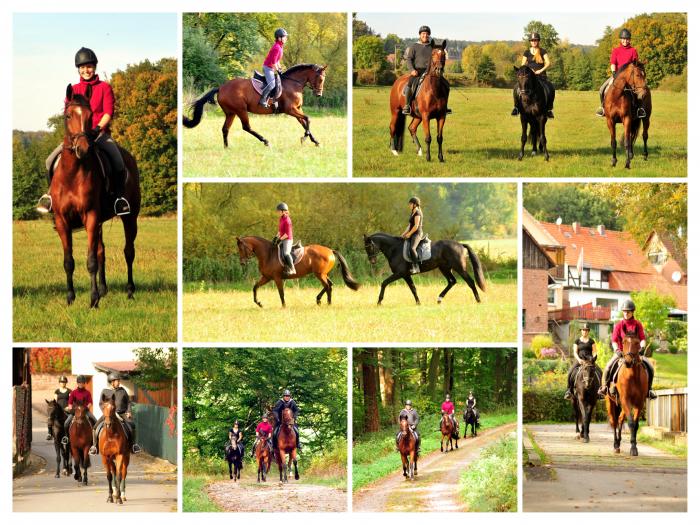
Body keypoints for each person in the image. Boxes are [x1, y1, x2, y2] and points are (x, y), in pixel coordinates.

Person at [37, 47, 131, 216]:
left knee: (118, 160)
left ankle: (119, 198)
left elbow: (108, 112)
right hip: (76, 137)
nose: (86, 70)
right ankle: (50, 196)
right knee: (49, 160)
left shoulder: (104, 88)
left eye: (89, 67)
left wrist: (96, 130)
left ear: (94, 67)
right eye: (82, 67)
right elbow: (68, 114)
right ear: (78, 70)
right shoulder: (73, 89)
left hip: (98, 135)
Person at [598, 300, 656, 399]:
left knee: (650, 367)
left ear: (632, 312)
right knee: (608, 367)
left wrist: (642, 348)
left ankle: (649, 389)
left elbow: (642, 338)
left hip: (636, 353)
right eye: (624, 311)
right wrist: (617, 350)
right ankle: (604, 388)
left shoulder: (638, 324)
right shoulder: (619, 325)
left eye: (628, 311)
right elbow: (614, 340)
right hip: (621, 352)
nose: (625, 313)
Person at [596, 28, 645, 118]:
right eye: (623, 39)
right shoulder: (616, 50)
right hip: (617, 76)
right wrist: (614, 72)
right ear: (620, 39)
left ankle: (639, 109)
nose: (625, 41)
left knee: (638, 91)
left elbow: (635, 64)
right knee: (602, 88)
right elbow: (613, 63)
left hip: (630, 77)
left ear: (629, 40)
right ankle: (603, 108)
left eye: (627, 39)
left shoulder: (633, 51)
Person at [402, 25, 451, 115]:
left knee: (446, 84)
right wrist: (412, 70)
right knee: (410, 83)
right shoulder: (414, 46)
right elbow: (409, 59)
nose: (425, 35)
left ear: (429, 35)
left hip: (431, 71)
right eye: (423, 33)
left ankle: (445, 106)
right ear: (420, 35)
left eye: (427, 34)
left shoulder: (432, 47)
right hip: (418, 71)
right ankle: (407, 105)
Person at [89, 372, 141, 455]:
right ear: (112, 382)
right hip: (108, 415)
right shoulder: (105, 391)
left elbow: (128, 402)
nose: (119, 382)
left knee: (132, 426)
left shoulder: (122, 391)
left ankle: (133, 445)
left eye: (119, 381)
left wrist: (128, 411)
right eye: (117, 381)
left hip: (121, 413)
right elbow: (101, 403)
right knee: (95, 427)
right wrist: (106, 412)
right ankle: (94, 446)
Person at [511, 32, 555, 118]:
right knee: (516, 87)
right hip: (529, 77)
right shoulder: (527, 52)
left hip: (540, 76)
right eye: (532, 40)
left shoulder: (543, 51)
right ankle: (516, 107)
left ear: (538, 41)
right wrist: (529, 70)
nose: (534, 42)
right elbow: (523, 64)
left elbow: (548, 63)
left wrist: (540, 70)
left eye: (535, 40)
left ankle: (549, 109)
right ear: (530, 42)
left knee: (550, 87)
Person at [564, 324, 599, 400]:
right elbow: (575, 352)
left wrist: (593, 358)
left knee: (600, 371)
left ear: (588, 331)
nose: (585, 331)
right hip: (580, 360)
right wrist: (579, 359)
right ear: (581, 331)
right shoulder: (577, 341)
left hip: (589, 361)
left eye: (586, 330)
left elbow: (595, 351)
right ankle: (569, 390)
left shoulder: (591, 341)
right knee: (570, 372)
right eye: (583, 330)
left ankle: (600, 391)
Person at [61, 375, 96, 444]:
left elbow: (90, 402)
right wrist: (72, 409)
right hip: (75, 411)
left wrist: (86, 408)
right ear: (77, 383)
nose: (81, 384)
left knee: (95, 421)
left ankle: (94, 441)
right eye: (79, 383)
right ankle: (66, 437)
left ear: (84, 383)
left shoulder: (87, 393)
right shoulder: (73, 392)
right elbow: (70, 403)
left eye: (82, 383)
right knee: (66, 423)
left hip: (85, 411)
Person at [259, 28, 288, 108]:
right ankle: (262, 100)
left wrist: (280, 68)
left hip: (271, 68)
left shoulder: (280, 47)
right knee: (272, 84)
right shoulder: (277, 48)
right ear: (279, 38)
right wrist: (277, 70)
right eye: (284, 37)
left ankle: (274, 100)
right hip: (268, 68)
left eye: (286, 37)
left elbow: (277, 60)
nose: (286, 38)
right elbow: (273, 62)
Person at [401, 196, 423, 274]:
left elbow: (416, 226)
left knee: (412, 248)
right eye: (409, 204)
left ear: (415, 205)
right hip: (412, 233)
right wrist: (404, 233)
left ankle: (416, 267)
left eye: (410, 204)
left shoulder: (417, 213)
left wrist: (409, 234)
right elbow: (410, 225)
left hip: (417, 234)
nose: (409, 205)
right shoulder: (412, 212)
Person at [47, 376, 72, 440]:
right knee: (50, 417)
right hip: (58, 409)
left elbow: (71, 401)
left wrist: (69, 407)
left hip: (67, 409)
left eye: (64, 382)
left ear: (66, 383)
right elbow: (55, 400)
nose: (63, 383)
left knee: (72, 419)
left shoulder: (69, 391)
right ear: (59, 383)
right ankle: (49, 433)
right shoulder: (57, 391)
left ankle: (69, 433)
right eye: (61, 382)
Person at [276, 202, 296, 276]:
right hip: (282, 238)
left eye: (278, 211)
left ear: (283, 211)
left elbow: (287, 234)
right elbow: (280, 230)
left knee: (286, 253)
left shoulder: (287, 220)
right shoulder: (281, 219)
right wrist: (276, 237)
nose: (277, 212)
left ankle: (292, 269)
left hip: (288, 239)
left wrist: (280, 239)